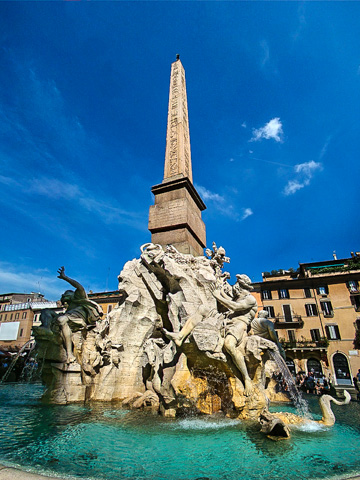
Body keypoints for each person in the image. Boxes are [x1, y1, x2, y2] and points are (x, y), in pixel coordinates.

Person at [163, 274, 258, 396]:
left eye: (236, 284)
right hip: (226, 319)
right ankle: (180, 336)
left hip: (239, 324)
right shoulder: (238, 296)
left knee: (229, 345)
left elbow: (234, 306)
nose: (234, 287)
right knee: (203, 309)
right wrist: (219, 290)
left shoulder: (250, 299)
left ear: (241, 287)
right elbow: (228, 300)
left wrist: (218, 295)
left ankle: (246, 378)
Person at [57, 267, 103, 363]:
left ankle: (69, 354)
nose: (64, 296)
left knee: (62, 320)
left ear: (72, 294)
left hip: (77, 319)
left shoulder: (78, 297)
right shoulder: (69, 307)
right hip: (68, 319)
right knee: (46, 313)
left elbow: (80, 287)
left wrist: (65, 278)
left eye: (66, 294)